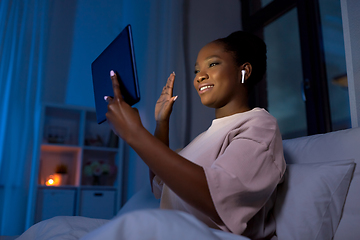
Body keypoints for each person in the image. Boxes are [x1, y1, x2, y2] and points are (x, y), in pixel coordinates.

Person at [104, 31, 286, 239]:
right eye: (196, 70)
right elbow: (160, 185)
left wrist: (135, 133)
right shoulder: (204, 138)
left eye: (213, 64)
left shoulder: (260, 125)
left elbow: (219, 198)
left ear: (244, 71)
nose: (200, 76)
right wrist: (161, 124)